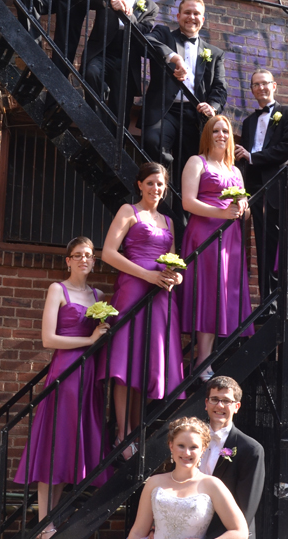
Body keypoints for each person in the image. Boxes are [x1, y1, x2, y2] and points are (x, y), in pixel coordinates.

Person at [14, 237, 110, 536]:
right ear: (67, 260)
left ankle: (51, 519)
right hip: (65, 371)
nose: (84, 259)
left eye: (89, 255)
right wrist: (89, 340)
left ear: (94, 262)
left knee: (70, 445)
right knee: (54, 444)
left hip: (89, 375)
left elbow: (105, 338)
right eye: (78, 255)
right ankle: (45, 521)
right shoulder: (58, 289)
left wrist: (103, 333)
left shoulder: (99, 296)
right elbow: (48, 339)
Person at [98, 162, 185, 459]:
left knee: (147, 362)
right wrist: (146, 275)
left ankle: (137, 430)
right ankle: (121, 433)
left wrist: (176, 276)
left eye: (160, 184)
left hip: (161, 295)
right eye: (150, 183)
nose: (155, 188)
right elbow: (108, 253)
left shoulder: (169, 222)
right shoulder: (128, 212)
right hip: (133, 290)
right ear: (139, 185)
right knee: (125, 364)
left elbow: (174, 260)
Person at [180, 116, 252, 382]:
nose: (221, 134)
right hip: (205, 236)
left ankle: (206, 360)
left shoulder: (235, 170)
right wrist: (222, 212)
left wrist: (243, 208)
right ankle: (203, 362)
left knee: (221, 294)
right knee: (208, 294)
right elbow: (188, 202)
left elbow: (244, 213)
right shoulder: (196, 162)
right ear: (208, 135)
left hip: (230, 240)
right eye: (216, 130)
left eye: (225, 131)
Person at [143, 0, 227, 180]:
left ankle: (181, 208)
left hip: (194, 117)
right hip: (166, 110)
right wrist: (174, 57)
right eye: (187, 12)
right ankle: (160, 187)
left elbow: (220, 88)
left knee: (189, 170)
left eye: (196, 13)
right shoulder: (164, 34)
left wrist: (212, 106)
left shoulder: (214, 53)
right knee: (154, 143)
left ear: (202, 19)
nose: (191, 17)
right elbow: (146, 40)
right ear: (178, 15)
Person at [235, 69, 288, 306]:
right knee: (262, 244)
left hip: (279, 188)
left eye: (265, 84)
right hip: (255, 190)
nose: (261, 88)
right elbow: (244, 157)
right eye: (256, 85)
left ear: (274, 86)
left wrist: (252, 157)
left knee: (280, 243)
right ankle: (267, 302)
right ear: (251, 89)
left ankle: (281, 300)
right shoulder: (249, 121)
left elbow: (287, 147)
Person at [126, 417, 248, 539]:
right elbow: (138, 532)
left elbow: (240, 531)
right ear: (171, 446)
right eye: (181, 445)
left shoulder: (213, 485)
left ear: (203, 449)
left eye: (193, 447)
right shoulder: (154, 482)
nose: (186, 453)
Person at [84, 0, 158, 127]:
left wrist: (128, 16)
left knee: (120, 109)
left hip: (127, 58)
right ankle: (96, 125)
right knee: (91, 73)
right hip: (102, 50)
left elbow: (143, 33)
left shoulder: (150, 7)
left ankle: (114, 145)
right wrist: (107, 3)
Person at [200, 376, 265, 539]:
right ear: (206, 403)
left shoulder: (251, 450)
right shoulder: (191, 441)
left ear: (236, 406)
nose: (219, 405)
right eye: (214, 399)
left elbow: (245, 508)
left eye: (226, 401)